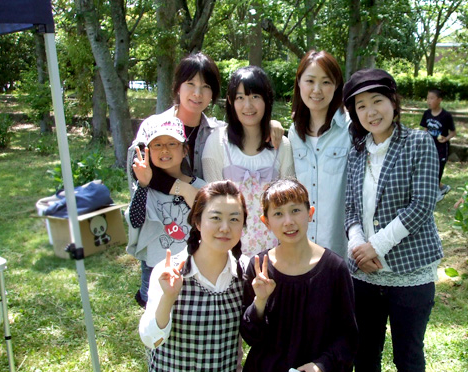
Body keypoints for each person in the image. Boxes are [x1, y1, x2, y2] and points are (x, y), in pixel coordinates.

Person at [343, 69, 443, 372]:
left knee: (408, 353)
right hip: (365, 274)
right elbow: (351, 209)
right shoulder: (357, 151)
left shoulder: (419, 143)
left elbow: (422, 205)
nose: (371, 112)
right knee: (365, 350)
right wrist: (358, 245)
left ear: (394, 102)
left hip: (410, 273)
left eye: (377, 102)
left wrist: (376, 246)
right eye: (361, 106)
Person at [236, 178, 357, 372]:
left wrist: (322, 366)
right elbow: (251, 336)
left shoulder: (334, 269)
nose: (288, 221)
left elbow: (348, 337)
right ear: (266, 222)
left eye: (295, 211)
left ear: (309, 213)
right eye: (278, 214)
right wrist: (260, 300)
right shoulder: (258, 268)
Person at [136, 180, 248, 372]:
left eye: (234, 219)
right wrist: (168, 297)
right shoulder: (171, 271)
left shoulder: (245, 273)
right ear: (197, 222)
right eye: (215, 218)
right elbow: (151, 338)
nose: (225, 227)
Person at [127, 52, 285, 207]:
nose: (197, 93)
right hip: (158, 216)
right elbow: (137, 169)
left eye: (205, 86)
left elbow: (248, 127)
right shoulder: (153, 126)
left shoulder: (217, 133)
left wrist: (270, 124)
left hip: (204, 220)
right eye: (191, 84)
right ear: (178, 87)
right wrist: (185, 190)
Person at [203, 66, 294, 257]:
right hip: (228, 252)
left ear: (267, 99)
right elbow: (211, 204)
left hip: (275, 252)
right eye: (240, 97)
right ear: (230, 101)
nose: (248, 105)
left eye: (255, 97)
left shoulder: (282, 145)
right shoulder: (217, 142)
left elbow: (291, 202)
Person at [125, 116, 203, 307]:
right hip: (155, 268)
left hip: (191, 267)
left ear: (185, 150)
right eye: (157, 145)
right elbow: (135, 221)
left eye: (172, 143)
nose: (164, 150)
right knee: (156, 316)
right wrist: (143, 185)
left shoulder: (201, 187)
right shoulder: (145, 189)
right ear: (148, 151)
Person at [288, 50, 350, 258]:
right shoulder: (294, 133)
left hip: (340, 247)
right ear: (299, 83)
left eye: (326, 82)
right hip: (302, 249)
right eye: (310, 81)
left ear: (337, 86)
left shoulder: (350, 129)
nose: (317, 90)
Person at [419, 88, 456, 202]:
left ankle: (437, 192)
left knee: (438, 169)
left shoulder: (446, 115)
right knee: (428, 169)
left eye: (432, 98)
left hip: (441, 148)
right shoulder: (426, 114)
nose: (429, 101)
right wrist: (423, 141)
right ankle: (442, 187)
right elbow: (425, 129)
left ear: (439, 100)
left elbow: (453, 132)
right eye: (427, 98)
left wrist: (446, 139)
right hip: (429, 147)